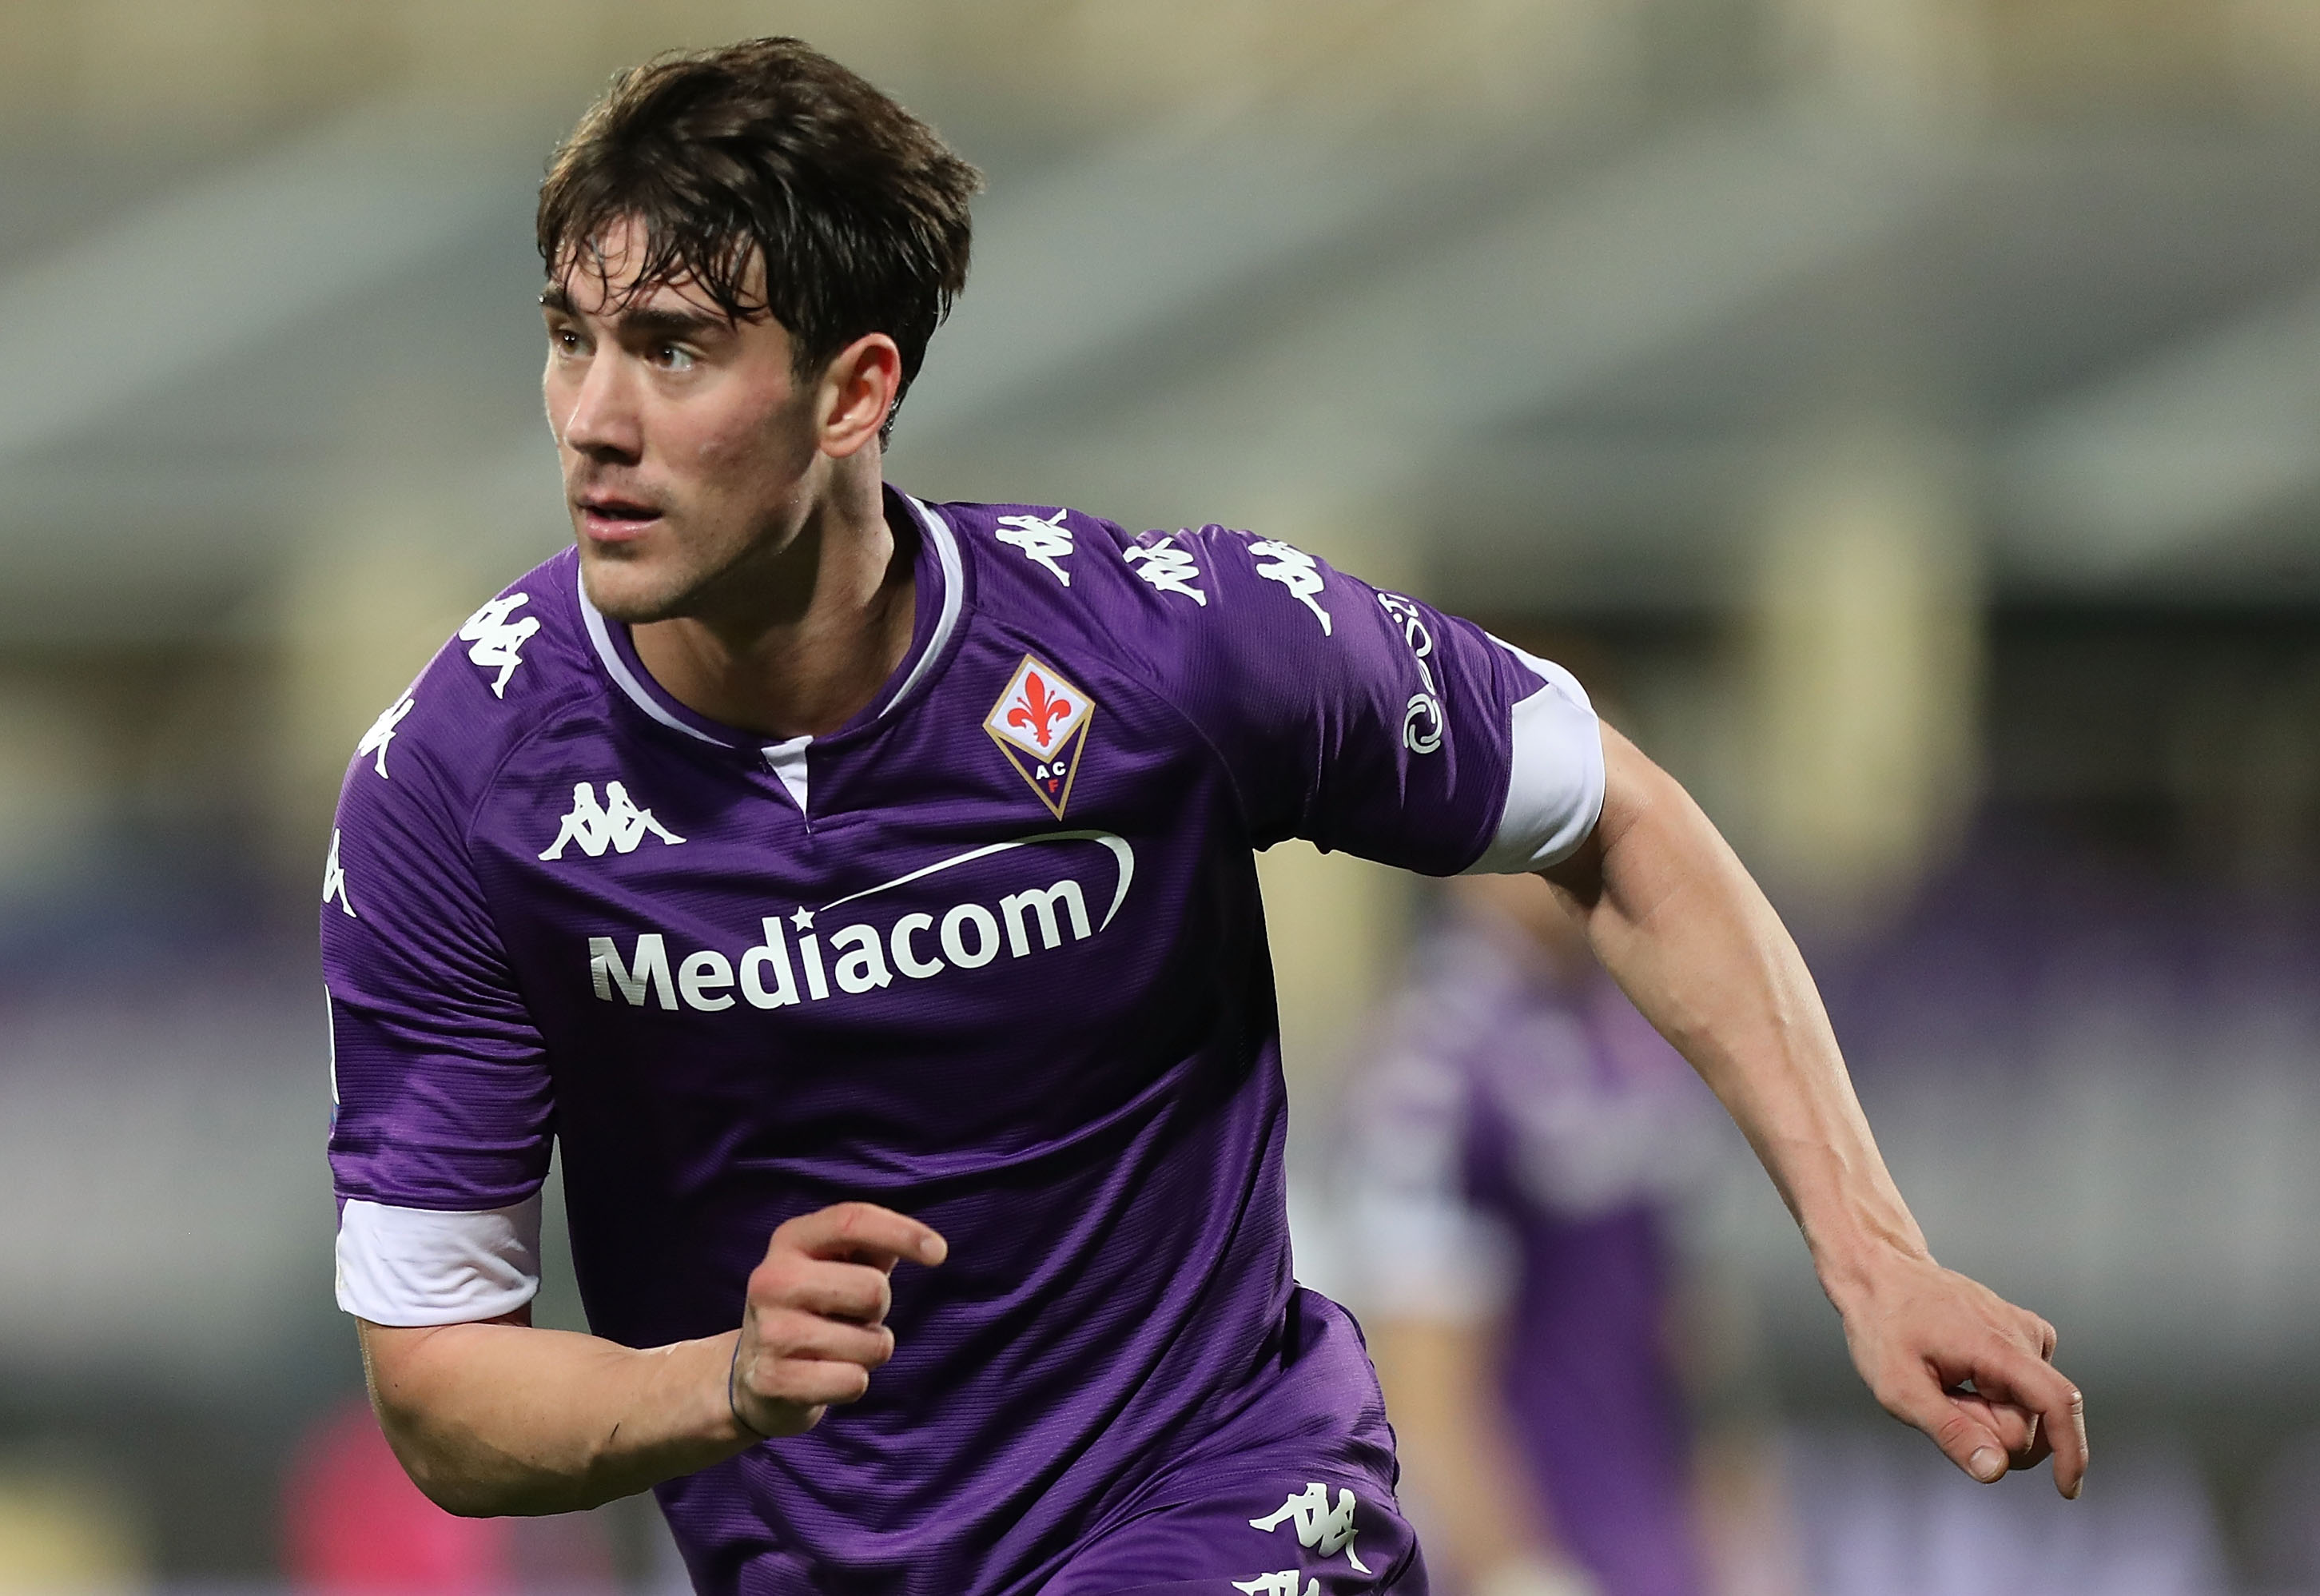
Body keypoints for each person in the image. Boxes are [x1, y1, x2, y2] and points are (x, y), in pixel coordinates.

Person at [322, 38, 2086, 1596]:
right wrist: (720, 1381)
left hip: (1227, 1500)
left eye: (674, 349)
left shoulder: (1165, 650)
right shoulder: (457, 790)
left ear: (854, 391)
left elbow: (1607, 806)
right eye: (571, 339)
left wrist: (1876, 1257)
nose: (594, 420)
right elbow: (440, 1388)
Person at [1336, 873, 1726, 1596]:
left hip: (1657, 1552)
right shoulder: (1434, 1062)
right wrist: (1517, 1572)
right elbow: (1421, 1388)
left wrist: (1742, 1543)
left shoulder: (1636, 1028)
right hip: (1546, 1558)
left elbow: (1686, 1339)